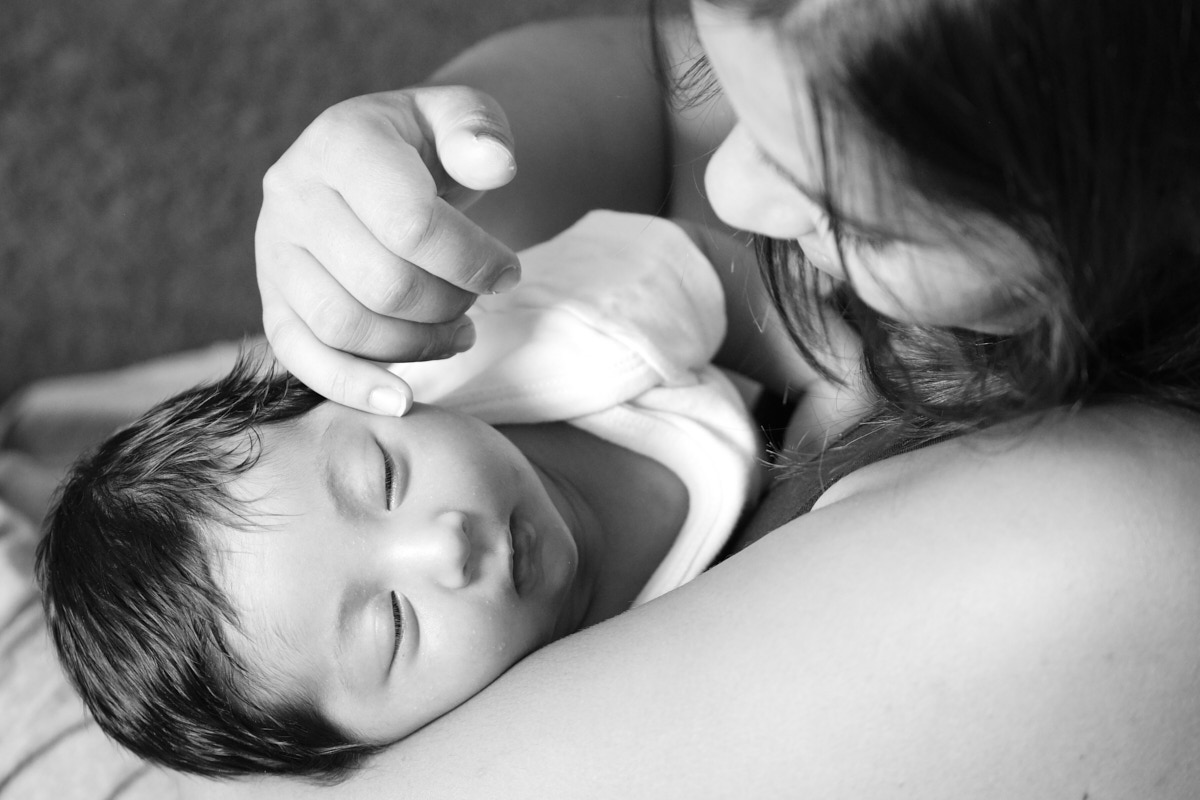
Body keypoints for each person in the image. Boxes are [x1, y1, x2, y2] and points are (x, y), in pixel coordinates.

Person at [203, 0, 1200, 797]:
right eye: (727, 70)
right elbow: (667, 88)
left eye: (851, 211)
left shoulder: (1093, 551)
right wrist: (431, 156)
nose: (731, 190)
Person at [35, 211, 776, 781]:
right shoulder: (594, 718)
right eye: (392, 623)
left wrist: (829, 387)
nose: (448, 543)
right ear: (381, 746)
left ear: (353, 393)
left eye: (383, 478)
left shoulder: (554, 335)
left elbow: (708, 272)